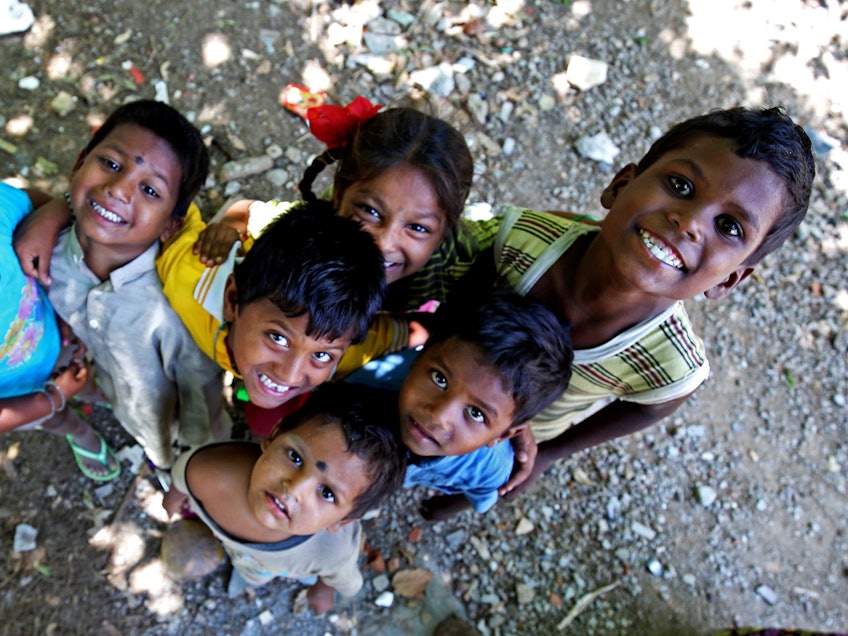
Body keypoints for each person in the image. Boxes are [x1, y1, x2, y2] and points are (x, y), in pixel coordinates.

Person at [479, 106, 815, 497]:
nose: (689, 222)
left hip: (517, 438)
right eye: (681, 186)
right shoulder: (520, 240)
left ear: (729, 280)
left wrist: (549, 453)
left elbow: (651, 407)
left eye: (729, 227)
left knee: (485, 479)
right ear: (620, 185)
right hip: (441, 378)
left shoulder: (672, 364)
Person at [12, 99, 231, 474]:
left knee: (167, 451)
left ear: (171, 225)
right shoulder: (48, 248)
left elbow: (202, 399)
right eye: (112, 165)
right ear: (80, 160)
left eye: (150, 191)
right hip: (103, 381)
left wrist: (192, 466)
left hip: (165, 424)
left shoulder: (174, 311)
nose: (118, 189)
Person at [194, 99, 500, 312]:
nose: (383, 243)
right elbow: (245, 213)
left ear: (445, 231)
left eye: (418, 228)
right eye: (370, 211)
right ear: (339, 194)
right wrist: (226, 230)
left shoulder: (458, 264)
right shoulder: (316, 232)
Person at [163, 382, 407, 613]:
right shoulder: (210, 471)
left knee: (255, 574)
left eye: (327, 493)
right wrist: (174, 495)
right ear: (273, 435)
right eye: (295, 457)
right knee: (249, 567)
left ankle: (250, 578)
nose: (293, 490)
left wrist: (323, 590)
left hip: (270, 566)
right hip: (250, 556)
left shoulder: (332, 551)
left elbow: (344, 577)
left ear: (343, 521)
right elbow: (183, 472)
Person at [154, 200, 388, 437]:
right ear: (232, 300)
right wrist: (229, 224)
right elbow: (173, 202)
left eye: (320, 355)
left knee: (268, 425)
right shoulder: (187, 281)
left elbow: (398, 334)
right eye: (278, 338)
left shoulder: (346, 349)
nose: (291, 374)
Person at [391, 290, 573, 520]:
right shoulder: (361, 385)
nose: (438, 416)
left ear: (505, 434)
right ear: (422, 355)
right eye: (440, 379)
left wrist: (451, 506)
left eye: (476, 413)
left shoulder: (490, 468)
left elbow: (482, 492)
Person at [0, 182, 116, 478]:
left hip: (55, 335)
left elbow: (35, 204)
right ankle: (80, 432)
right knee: (55, 418)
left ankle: (100, 395)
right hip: (18, 397)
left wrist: (62, 300)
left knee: (82, 375)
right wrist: (49, 400)